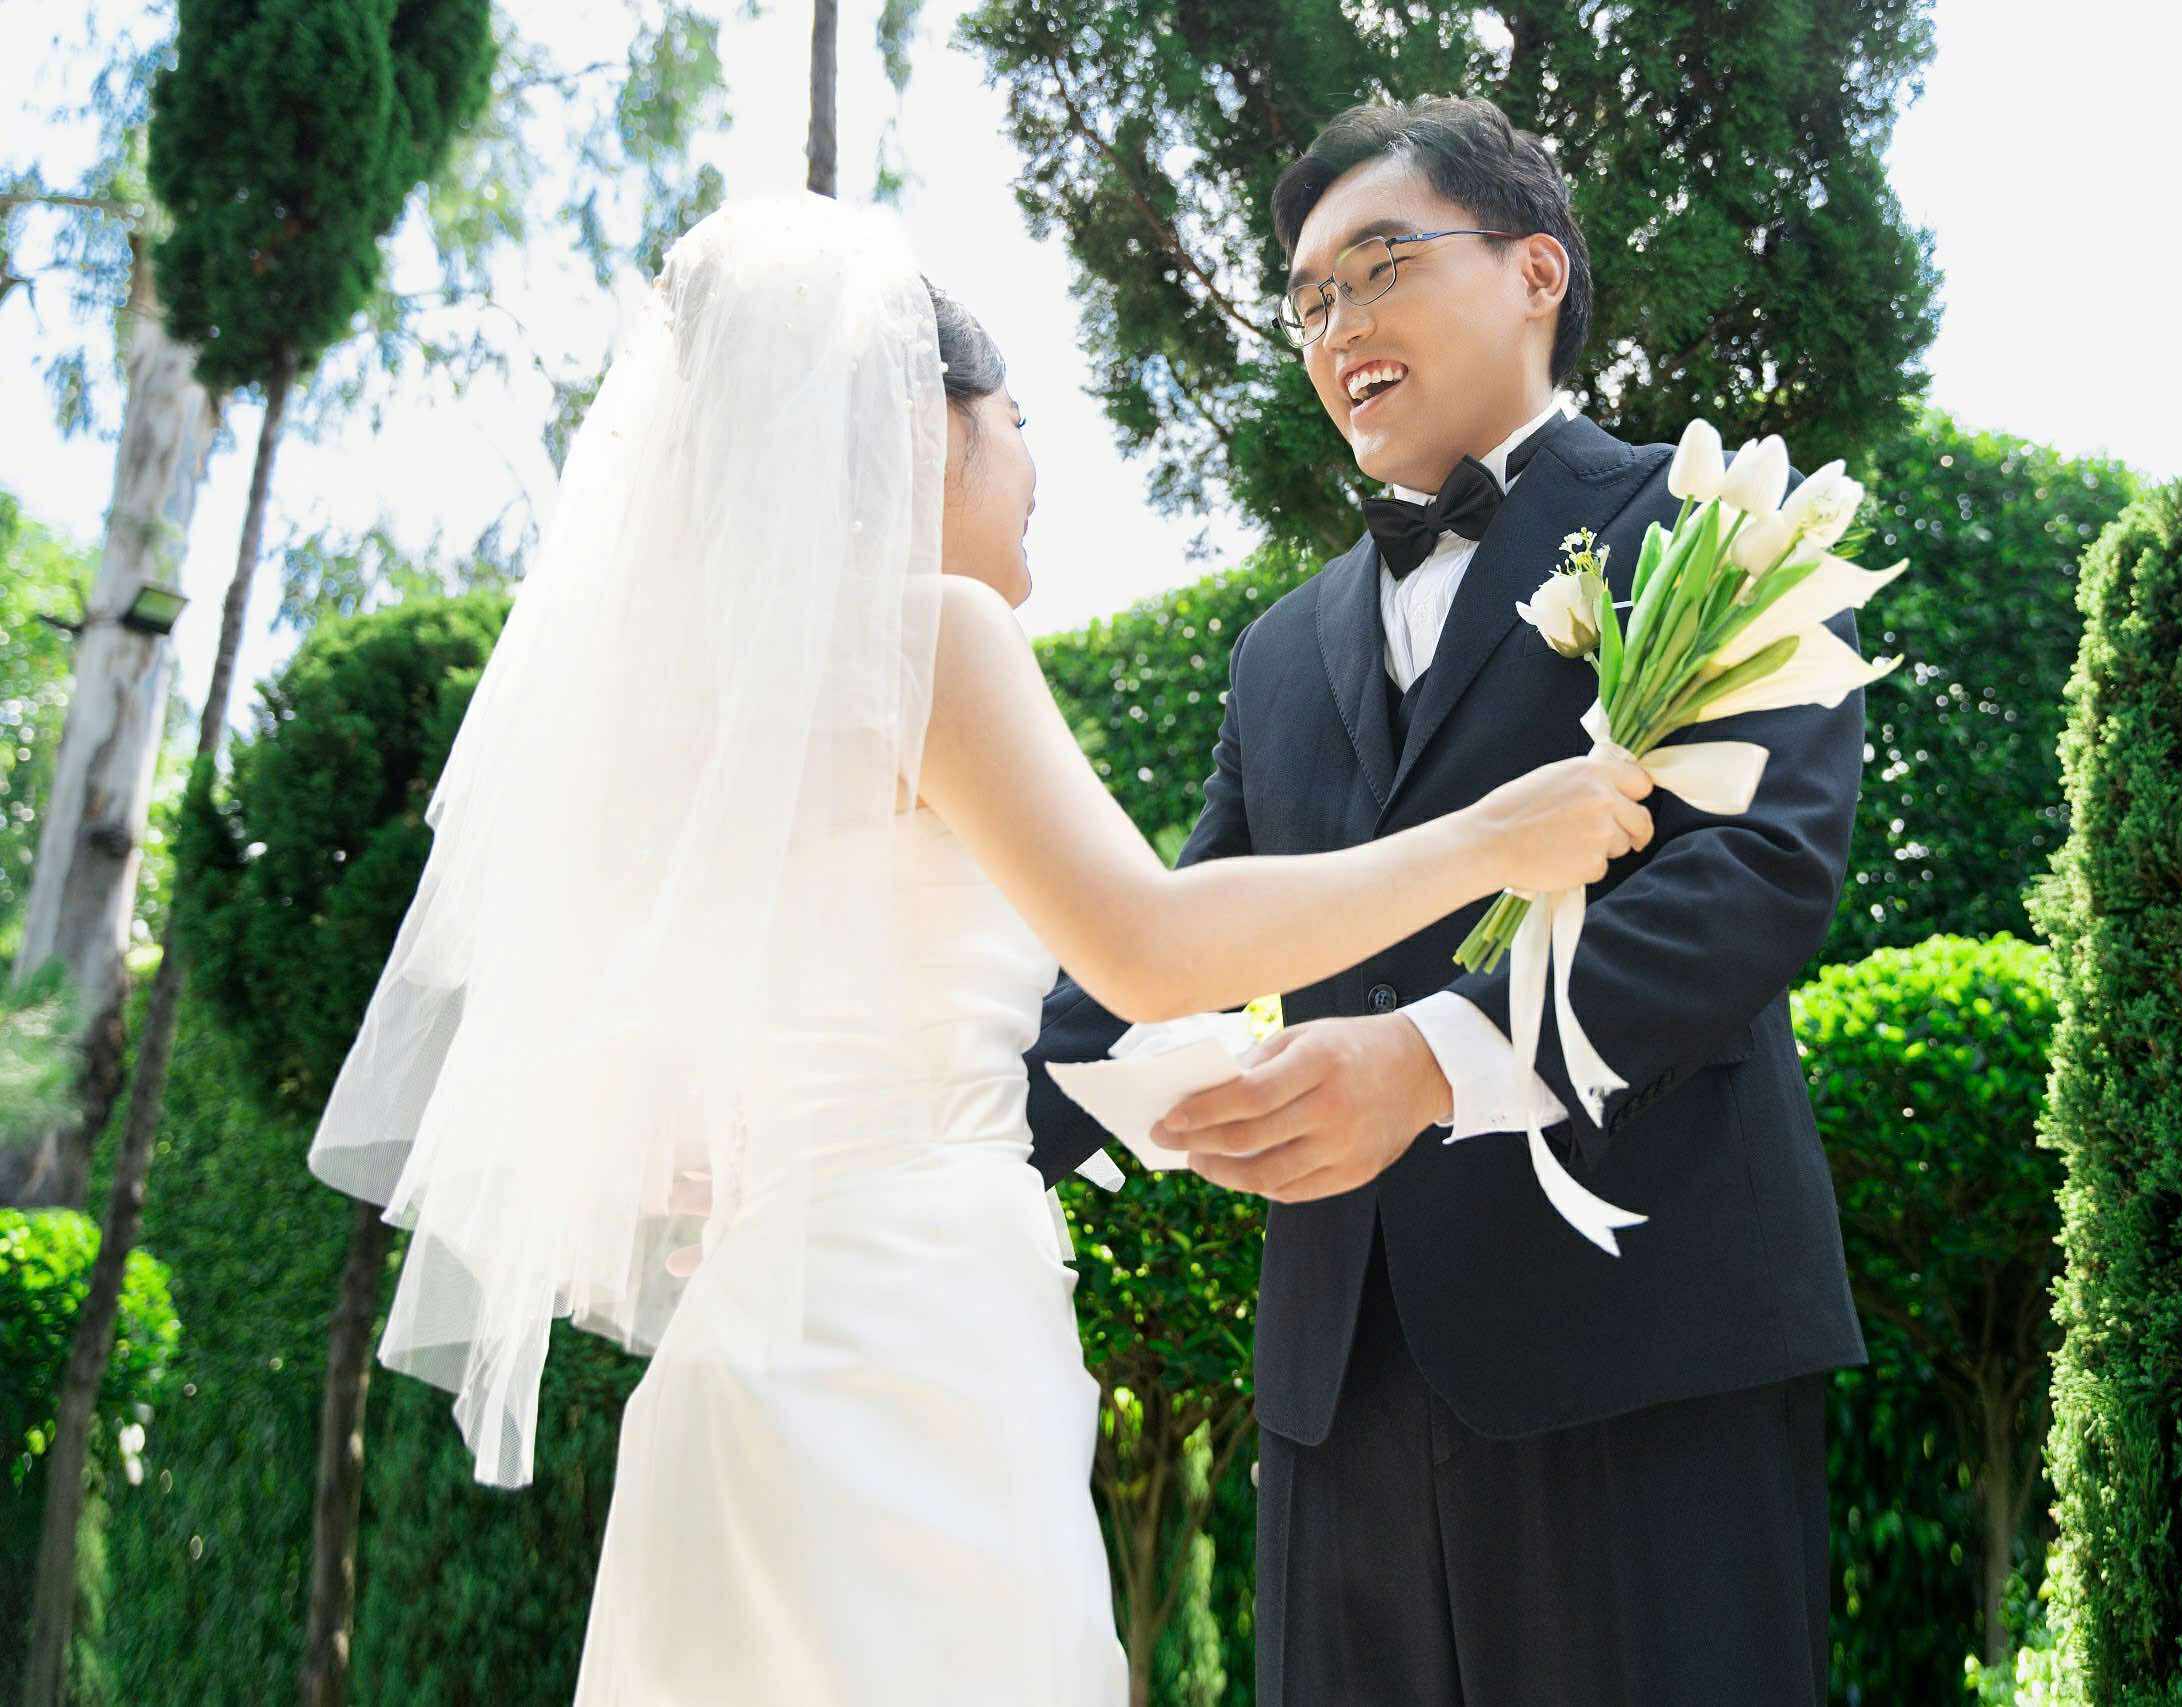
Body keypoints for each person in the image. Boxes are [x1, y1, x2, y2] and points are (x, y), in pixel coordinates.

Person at [299, 189, 1651, 1703]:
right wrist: (1492, 838)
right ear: (928, 431)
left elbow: (687, 1122)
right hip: (907, 1333)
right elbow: (1147, 946)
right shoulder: (932, 635)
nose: (1031, 471)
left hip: (748, 1338)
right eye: (1017, 424)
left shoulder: (708, 737)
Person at [1024, 95, 1871, 1705]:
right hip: (1335, 1385)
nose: (1337, 325)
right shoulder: (1276, 652)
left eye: (1380, 265)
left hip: (1644, 1348)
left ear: (1536, 269)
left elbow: (1760, 873)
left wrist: (1429, 1061)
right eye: (1308, 300)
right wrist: (928, 1151)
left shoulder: (1712, 524)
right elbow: (1164, 943)